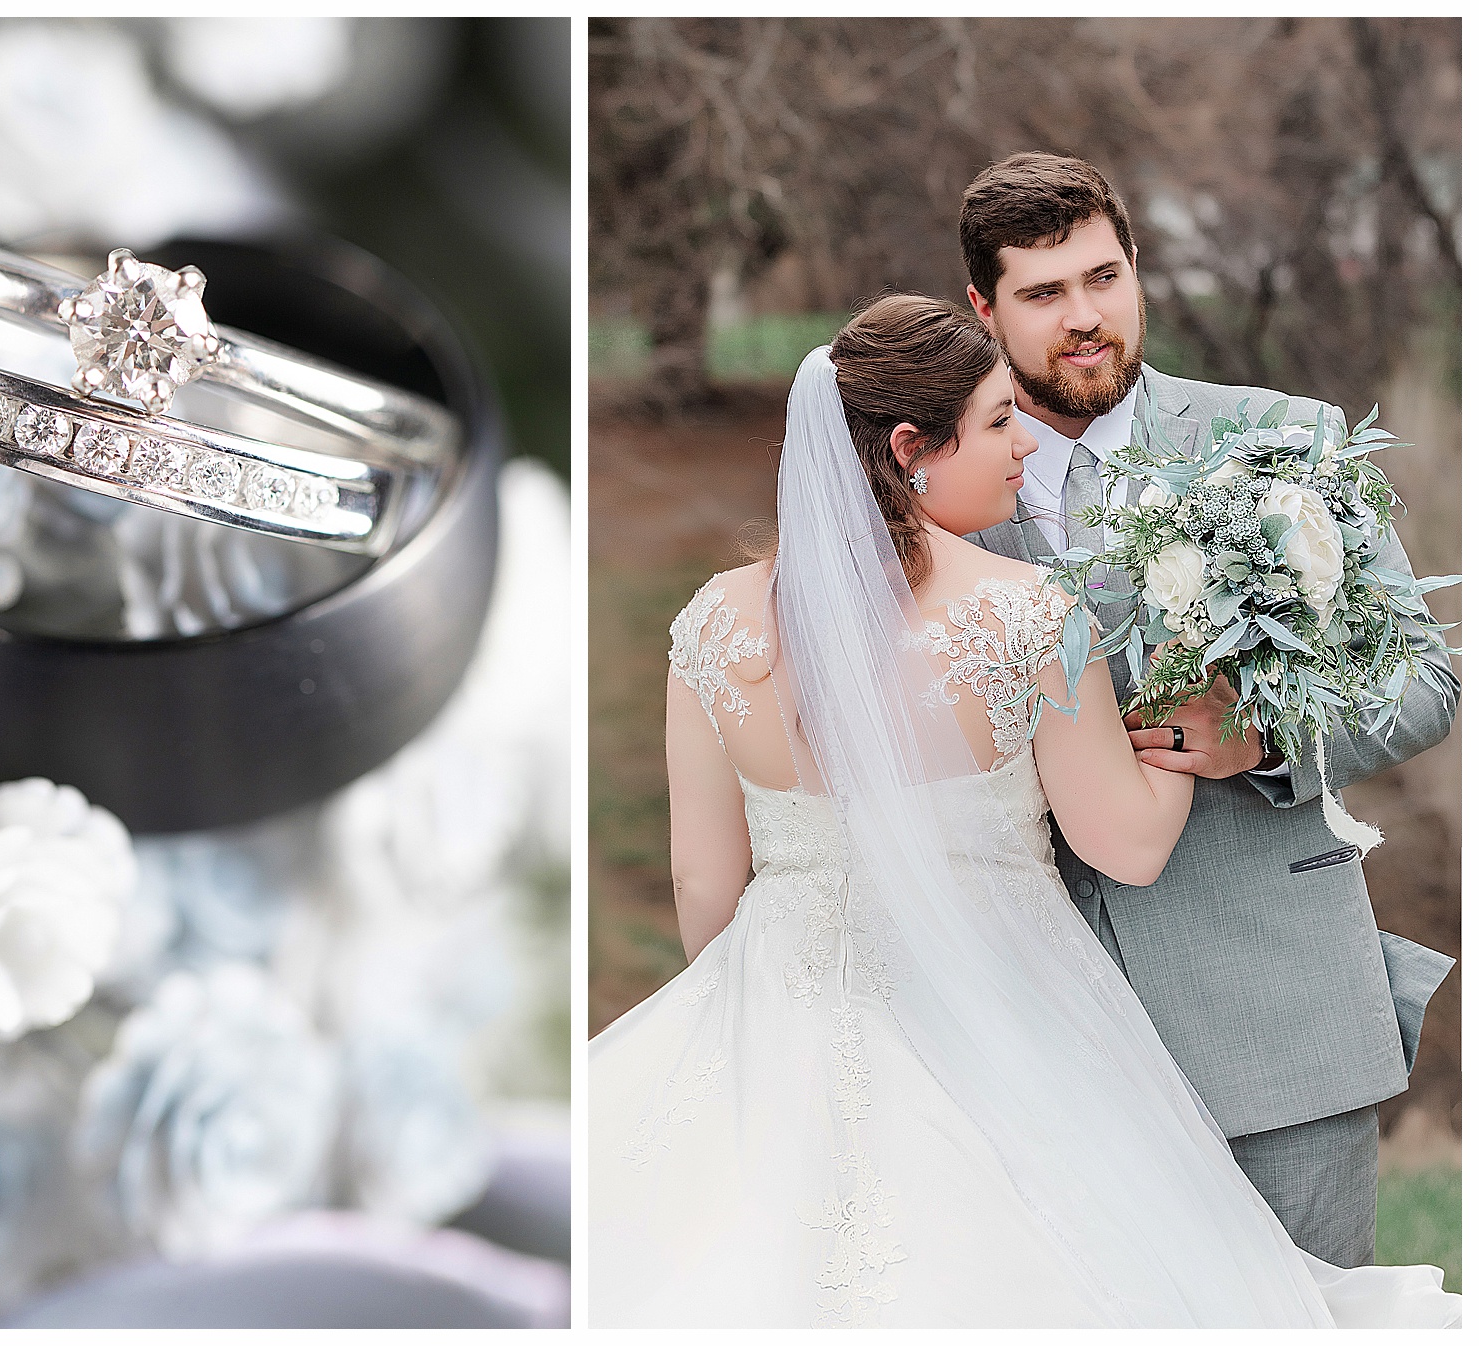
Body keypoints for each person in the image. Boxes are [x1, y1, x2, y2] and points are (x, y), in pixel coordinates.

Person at [588, 294, 1459, 1326]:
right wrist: (1187, 679)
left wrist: (747, 1011)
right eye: (999, 422)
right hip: (1008, 1022)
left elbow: (703, 883)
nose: (1022, 446)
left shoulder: (711, 625)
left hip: (776, 1016)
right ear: (912, 445)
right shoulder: (1030, 613)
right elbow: (1127, 845)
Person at [958, 152, 1457, 1267]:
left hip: (1282, 1016)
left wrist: (1267, 737)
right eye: (1043, 294)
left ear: (1138, 268)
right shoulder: (937, 501)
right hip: (1049, 1041)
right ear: (986, 308)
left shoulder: (1285, 440)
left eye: (1104, 277)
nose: (1084, 318)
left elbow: (1427, 681)